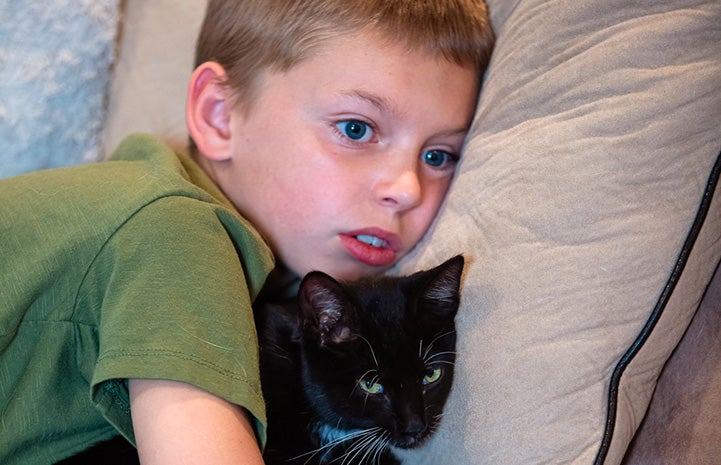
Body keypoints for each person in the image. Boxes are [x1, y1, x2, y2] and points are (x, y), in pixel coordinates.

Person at [0, 0, 494, 463]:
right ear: (219, 116)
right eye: (356, 129)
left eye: (438, 156)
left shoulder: (134, 199)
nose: (407, 187)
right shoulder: (174, 232)